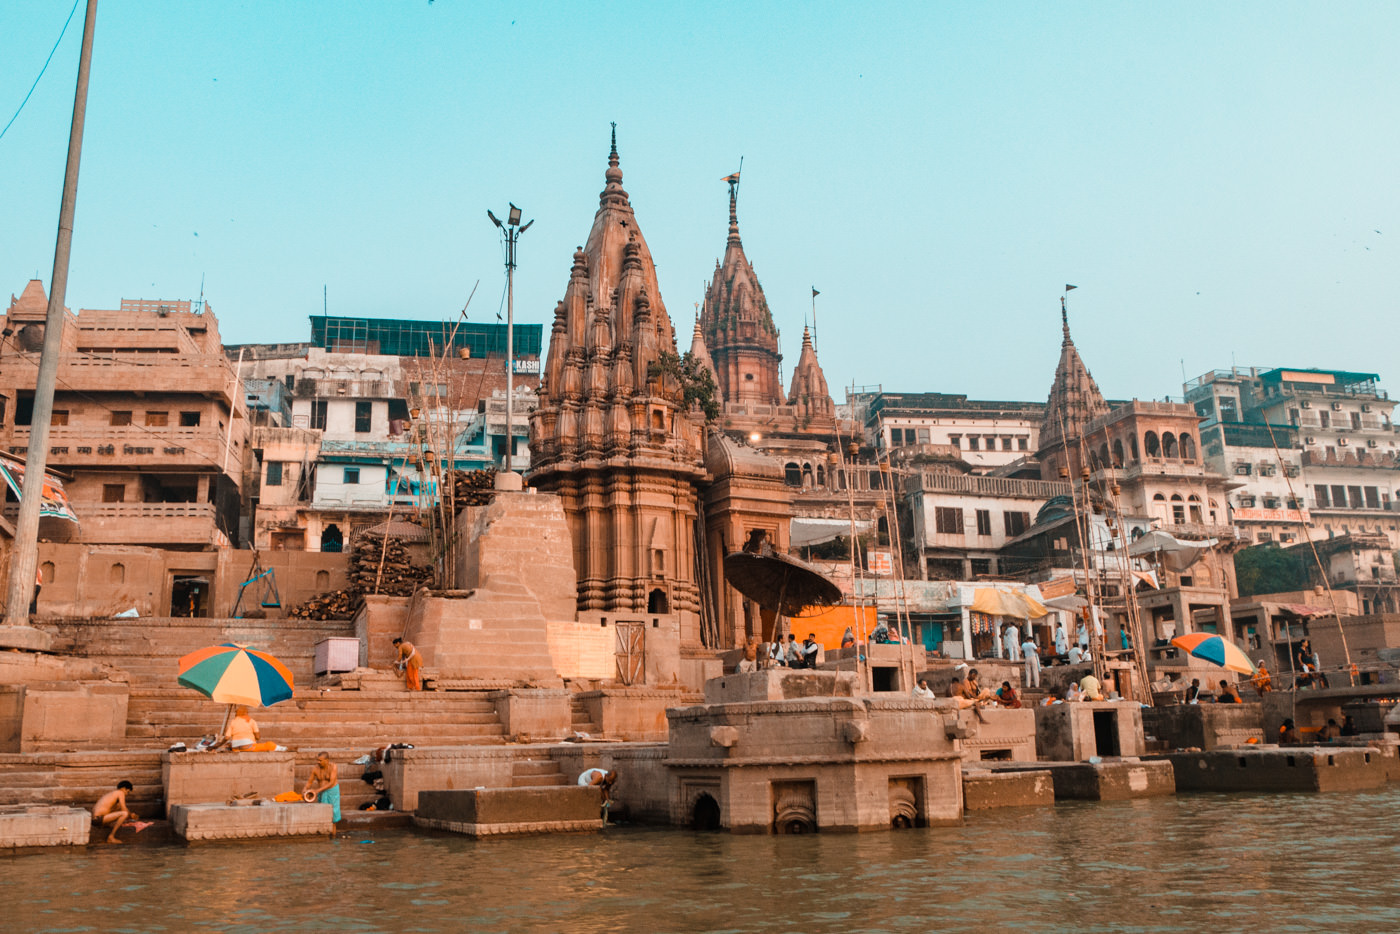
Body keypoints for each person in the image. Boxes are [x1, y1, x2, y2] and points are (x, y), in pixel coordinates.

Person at [215, 705, 279, 751]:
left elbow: (227, 737)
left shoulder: (233, 721)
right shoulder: (251, 721)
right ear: (246, 713)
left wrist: (219, 744)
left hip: (235, 747)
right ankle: (282, 748)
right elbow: (258, 737)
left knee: (229, 744)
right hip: (248, 746)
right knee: (269, 745)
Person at [303, 751, 341, 827]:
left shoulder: (333, 767)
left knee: (333, 818)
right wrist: (304, 790)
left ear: (327, 760)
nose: (318, 762)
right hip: (321, 792)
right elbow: (309, 782)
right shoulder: (315, 769)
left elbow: (331, 783)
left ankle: (333, 837)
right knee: (323, 814)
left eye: (320, 760)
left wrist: (317, 791)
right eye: (317, 760)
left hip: (332, 792)